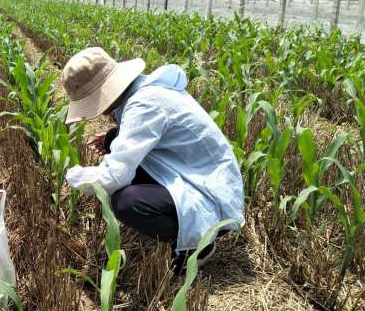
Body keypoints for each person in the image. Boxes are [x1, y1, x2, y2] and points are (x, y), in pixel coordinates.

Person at [61, 47, 244, 273]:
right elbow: (150, 133)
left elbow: (113, 177)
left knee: (127, 202)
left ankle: (198, 245)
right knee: (118, 152)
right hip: (194, 170)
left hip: (208, 191)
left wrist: (72, 175)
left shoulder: (144, 104)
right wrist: (113, 138)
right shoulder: (144, 91)